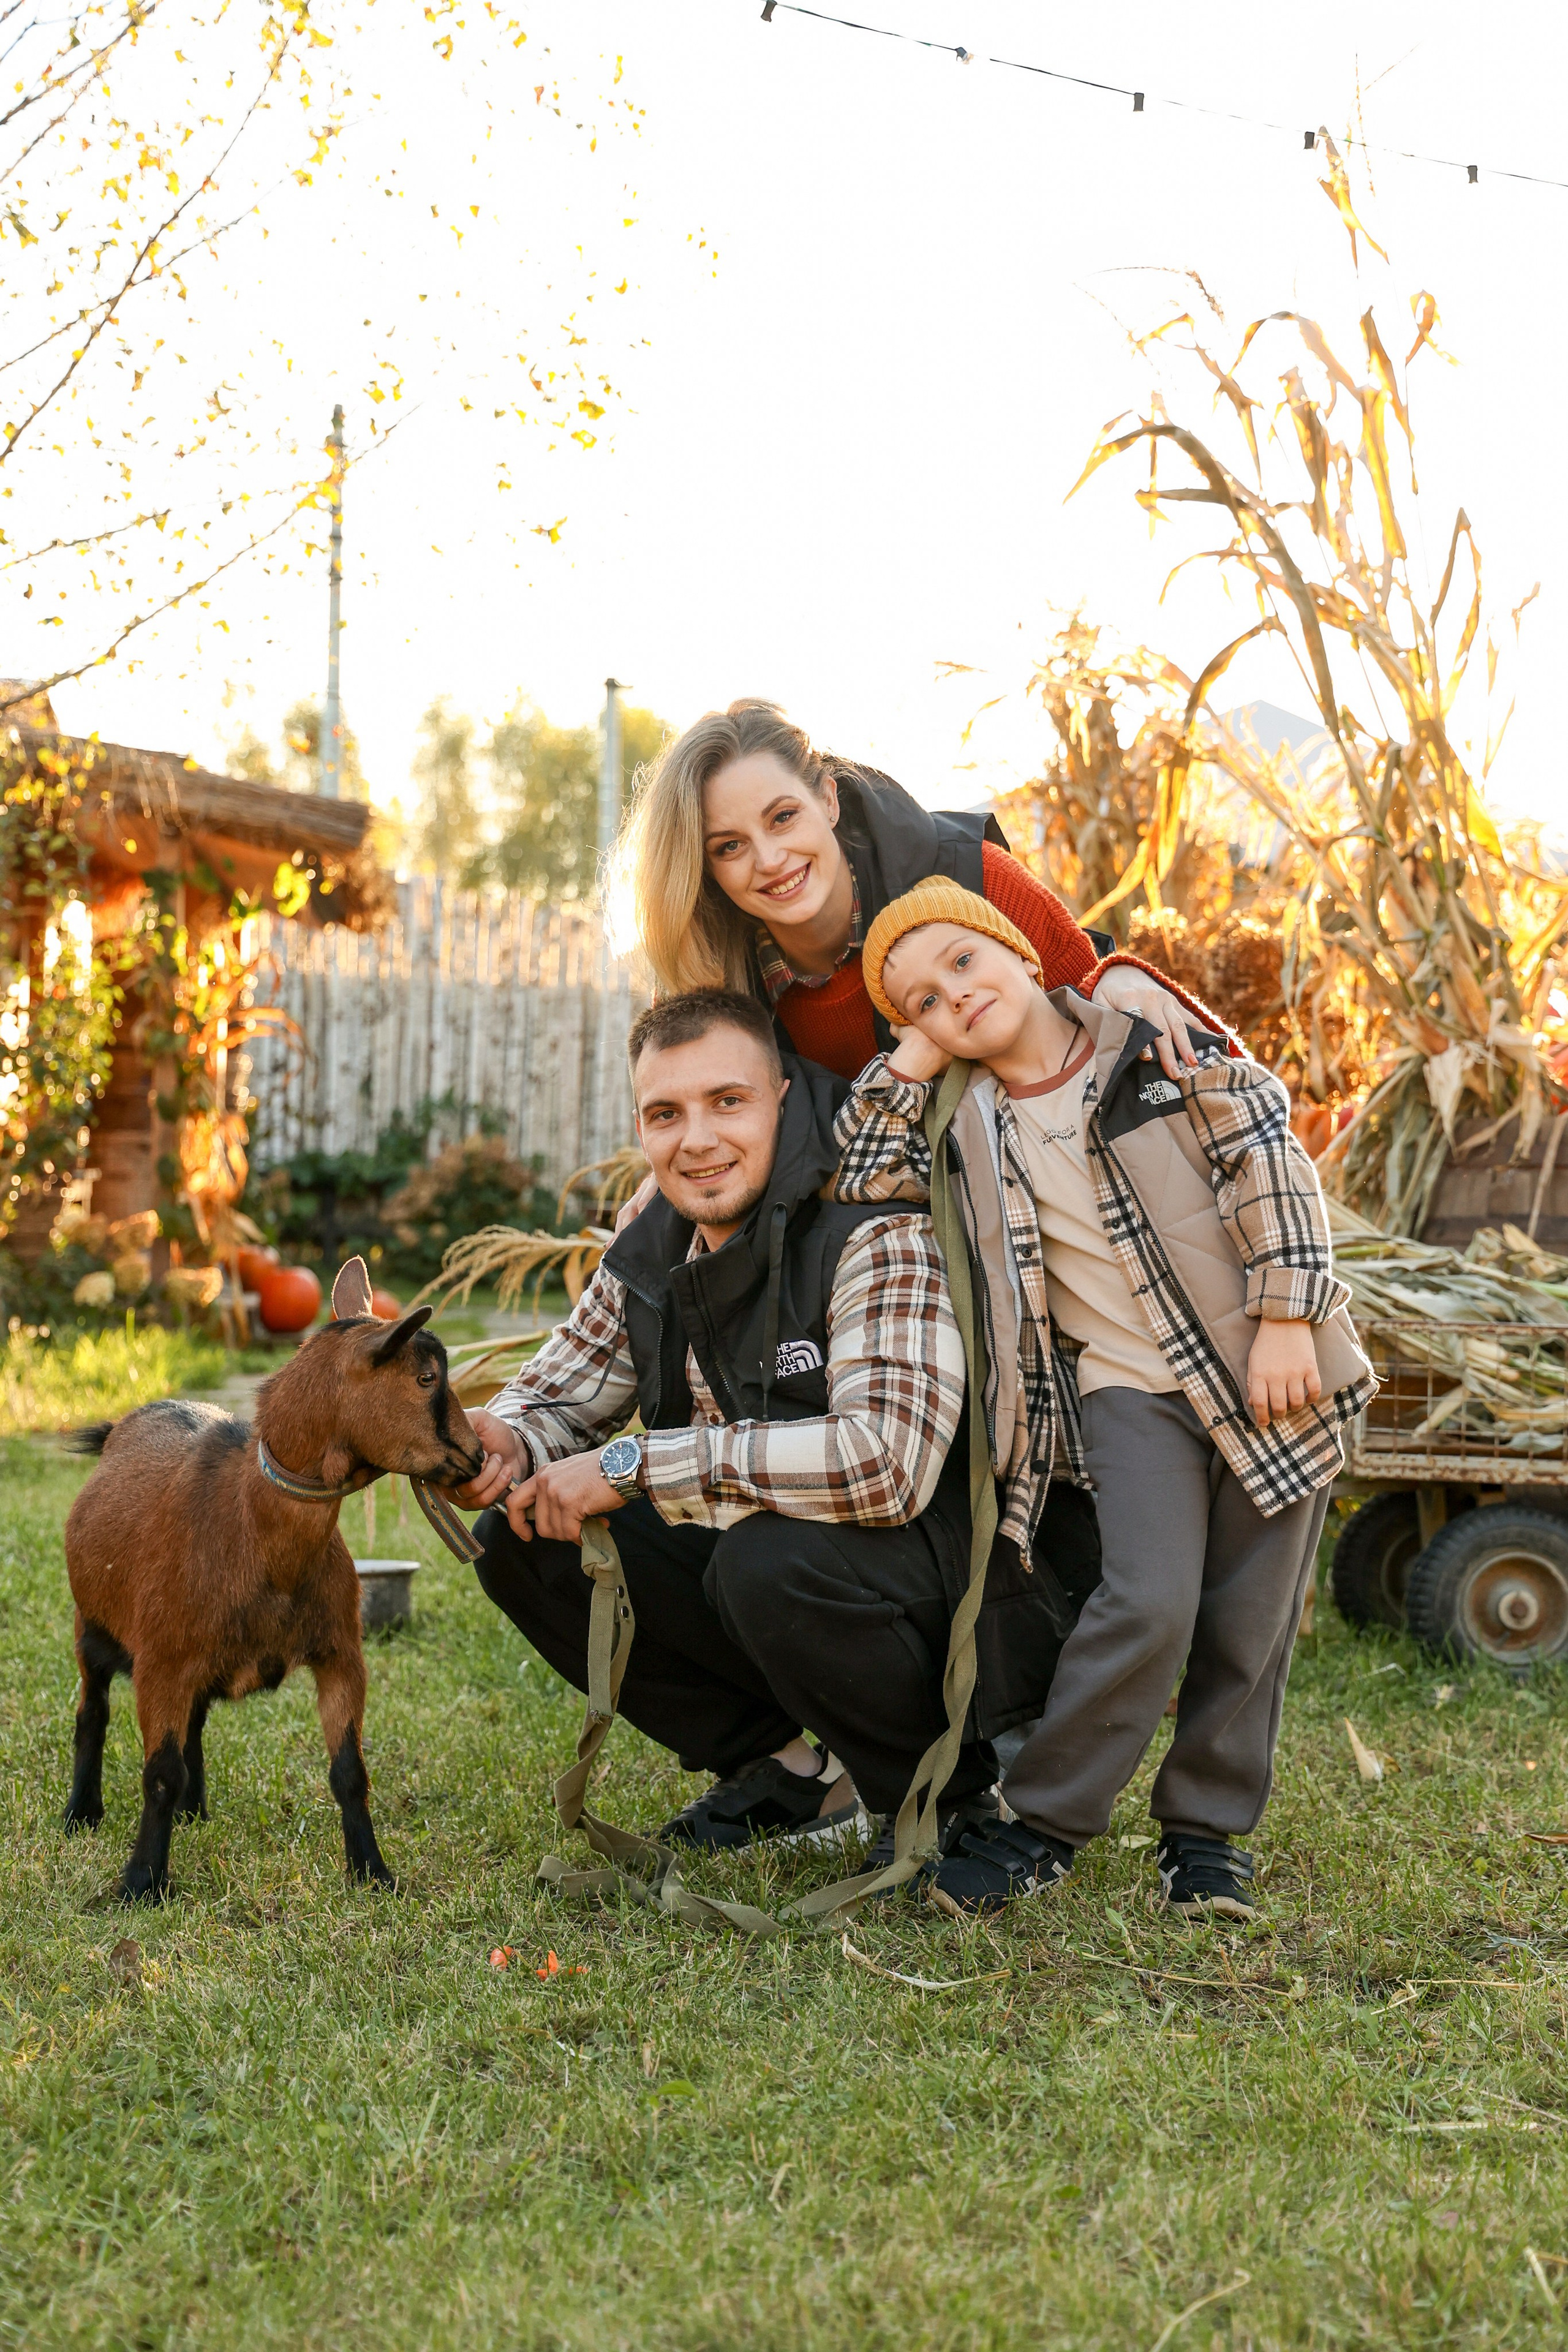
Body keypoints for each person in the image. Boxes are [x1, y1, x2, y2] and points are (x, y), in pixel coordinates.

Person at [832, 878, 1376, 1920]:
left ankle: (1205, 1837)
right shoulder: (965, 1121)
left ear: (1022, 956)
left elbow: (1271, 1158)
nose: (952, 998)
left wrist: (1287, 1317)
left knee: (1247, 1621)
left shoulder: (1153, 1051)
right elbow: (861, 1174)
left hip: (1268, 1368)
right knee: (1150, 1600)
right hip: (1129, 1391)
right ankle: (1043, 1823)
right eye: (921, 1004)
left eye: (961, 963)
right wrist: (908, 1065)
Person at [451, 987, 1092, 1855]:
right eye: (665, 1114)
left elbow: (887, 1464)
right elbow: (558, 1393)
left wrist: (633, 1465)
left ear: (783, 1099)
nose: (698, 1140)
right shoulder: (653, 1248)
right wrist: (509, 1439)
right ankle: (791, 1772)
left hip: (943, 1592)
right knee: (519, 1534)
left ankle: (944, 1799)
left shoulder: (874, 1224)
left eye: (728, 1102)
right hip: (769, 1574)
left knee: (764, 1556)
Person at [613, 698, 1228, 1088]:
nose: (770, 861)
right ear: (706, 871)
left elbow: (1084, 995)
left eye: (782, 818)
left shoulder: (971, 879)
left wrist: (1118, 980)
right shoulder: (714, 974)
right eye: (729, 846)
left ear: (827, 799)